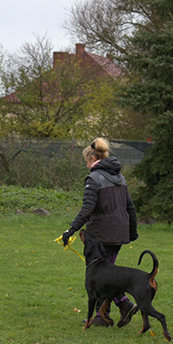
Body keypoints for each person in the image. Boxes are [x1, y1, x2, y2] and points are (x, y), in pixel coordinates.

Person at [62, 138, 139, 326]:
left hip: (101, 234)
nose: (86, 166)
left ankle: (111, 311)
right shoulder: (120, 178)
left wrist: (70, 230)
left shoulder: (94, 179)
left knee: (99, 277)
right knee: (107, 275)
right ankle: (114, 310)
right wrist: (132, 231)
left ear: (92, 159)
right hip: (119, 233)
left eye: (86, 161)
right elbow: (130, 207)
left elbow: (87, 209)